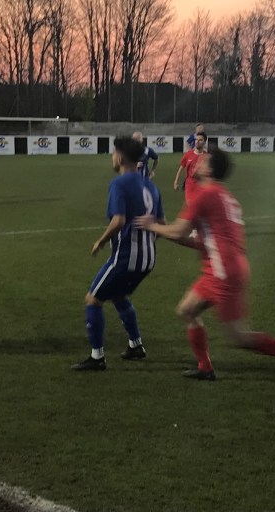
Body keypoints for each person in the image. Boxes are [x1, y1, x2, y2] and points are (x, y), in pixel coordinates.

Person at [137, 147, 275, 381]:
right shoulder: (224, 196)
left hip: (223, 272)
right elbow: (202, 241)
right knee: (187, 310)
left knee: (240, 337)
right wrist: (162, 231)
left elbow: (180, 231)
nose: (197, 163)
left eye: (203, 161)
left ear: (209, 170)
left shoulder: (204, 195)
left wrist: (152, 226)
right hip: (224, 268)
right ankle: (205, 367)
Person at [72, 136, 165, 372]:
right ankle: (136, 345)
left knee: (93, 299)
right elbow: (161, 225)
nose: (112, 157)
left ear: (121, 157)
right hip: (148, 259)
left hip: (125, 258)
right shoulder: (152, 187)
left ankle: (97, 357)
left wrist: (101, 241)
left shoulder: (119, 183)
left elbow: (118, 220)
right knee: (119, 295)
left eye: (113, 153)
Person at [175, 131, 207, 199]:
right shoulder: (188, 154)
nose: (197, 141)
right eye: (196, 139)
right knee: (191, 203)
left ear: (204, 142)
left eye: (200, 140)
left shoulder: (207, 156)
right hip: (190, 185)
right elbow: (181, 168)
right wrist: (176, 182)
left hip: (202, 186)